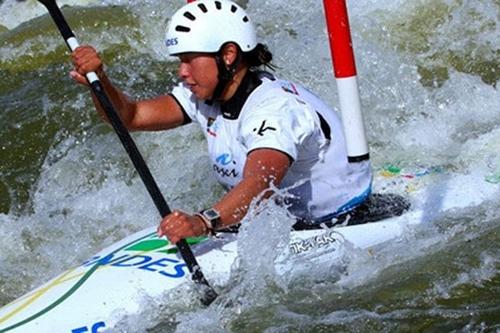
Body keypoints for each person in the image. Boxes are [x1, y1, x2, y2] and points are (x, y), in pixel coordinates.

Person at [70, 0, 372, 244]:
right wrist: (100, 81)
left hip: (341, 221)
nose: (182, 72)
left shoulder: (274, 108)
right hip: (282, 221)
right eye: (180, 61)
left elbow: (261, 184)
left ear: (228, 55)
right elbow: (129, 117)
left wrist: (204, 221)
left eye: (189, 59)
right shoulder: (202, 96)